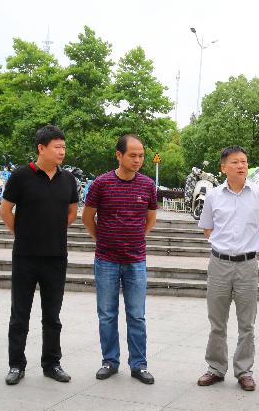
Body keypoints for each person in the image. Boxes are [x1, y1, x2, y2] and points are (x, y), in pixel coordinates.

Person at [0, 125, 78, 385]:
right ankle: (16, 365)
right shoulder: (21, 176)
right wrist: (23, 233)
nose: (62, 152)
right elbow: (5, 210)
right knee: (19, 314)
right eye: (57, 147)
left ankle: (52, 363)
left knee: (52, 316)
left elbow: (72, 212)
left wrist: (51, 230)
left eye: (64, 147)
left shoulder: (68, 179)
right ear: (41, 148)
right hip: (25, 256)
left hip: (56, 257)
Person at [195, 145, 259, 391]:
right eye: (235, 162)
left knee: (247, 324)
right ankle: (215, 368)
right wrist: (225, 246)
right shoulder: (213, 196)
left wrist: (248, 248)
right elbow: (207, 228)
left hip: (247, 266)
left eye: (244, 161)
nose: (241, 166)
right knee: (217, 321)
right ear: (223, 167)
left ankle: (244, 371)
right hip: (219, 264)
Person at [82, 134, 157, 385]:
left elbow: (150, 218)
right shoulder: (101, 183)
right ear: (119, 155)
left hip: (136, 260)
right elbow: (87, 217)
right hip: (106, 260)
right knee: (107, 314)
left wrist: (137, 237)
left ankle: (139, 364)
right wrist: (102, 238)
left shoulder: (147, 185)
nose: (138, 160)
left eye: (141, 156)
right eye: (132, 155)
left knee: (137, 315)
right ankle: (109, 361)